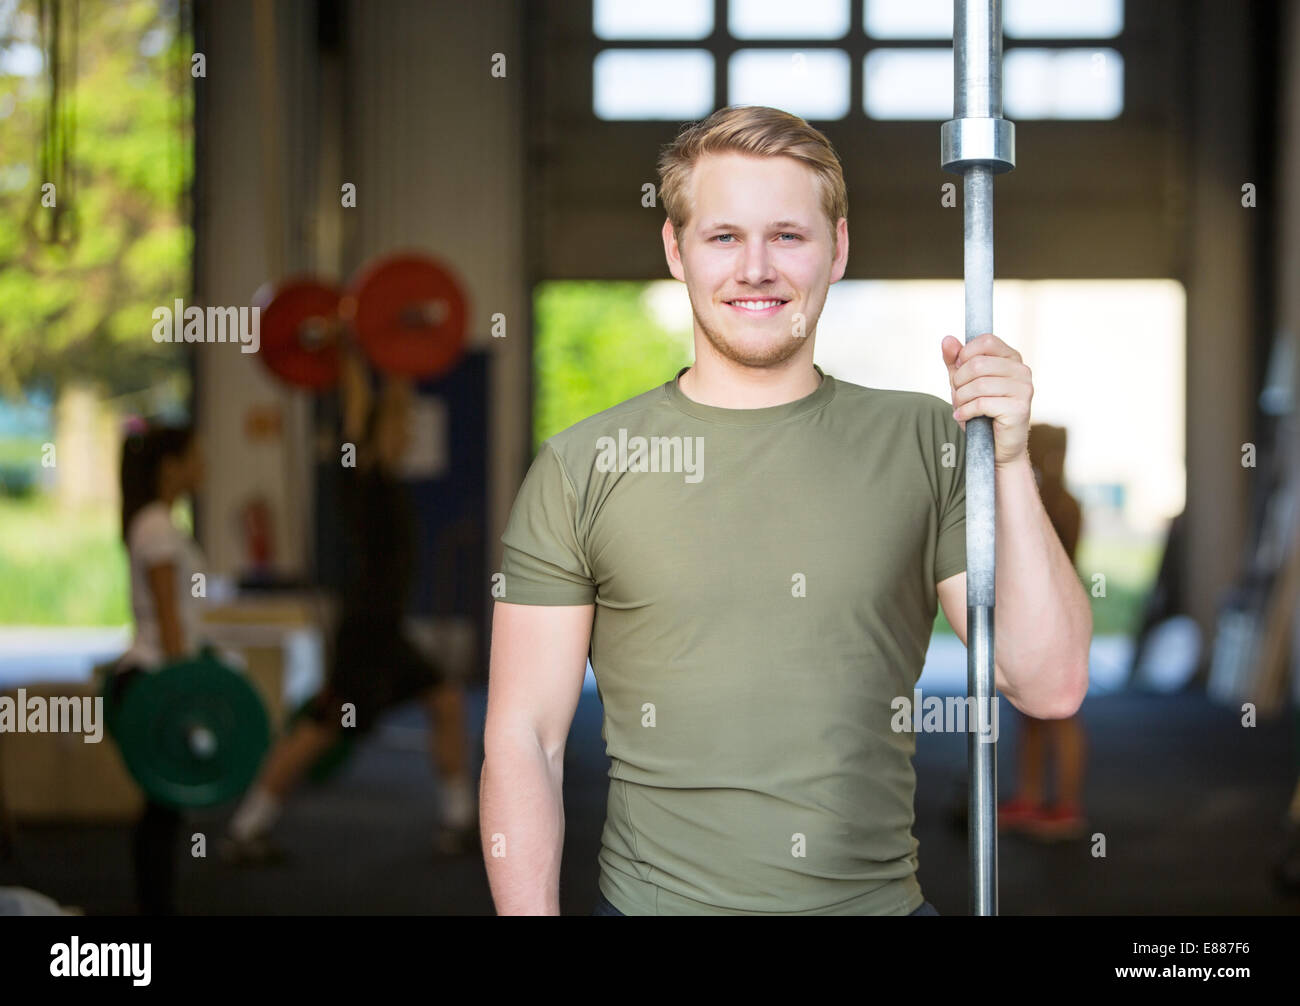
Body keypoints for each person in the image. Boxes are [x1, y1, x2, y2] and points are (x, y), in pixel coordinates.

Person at [482, 105, 1092, 915]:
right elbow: (525, 738)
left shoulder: (922, 438)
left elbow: (1047, 682)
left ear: (837, 250)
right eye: (724, 236)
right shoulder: (582, 466)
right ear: (677, 250)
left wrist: (1008, 458)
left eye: (789, 236)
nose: (757, 268)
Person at [221, 348, 476, 862]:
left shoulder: (386, 478)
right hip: (365, 634)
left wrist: (396, 354)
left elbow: (391, 403)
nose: (406, 435)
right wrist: (351, 351)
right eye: (398, 428)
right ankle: (247, 830)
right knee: (323, 728)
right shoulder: (362, 473)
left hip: (386, 631)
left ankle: (458, 822)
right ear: (375, 435)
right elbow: (359, 407)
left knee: (446, 702)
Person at [110, 421, 207, 915]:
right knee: (161, 809)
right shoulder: (156, 526)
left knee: (164, 809)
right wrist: (182, 692)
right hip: (153, 678)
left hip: (155, 676)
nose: (204, 463)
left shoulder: (160, 523)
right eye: (196, 454)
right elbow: (169, 620)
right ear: (171, 467)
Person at [997, 424, 1090, 840]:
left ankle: (1065, 806)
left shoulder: (1058, 503)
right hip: (1031, 612)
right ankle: (1031, 797)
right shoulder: (1052, 498)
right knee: (1029, 714)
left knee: (1060, 715)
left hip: (1052, 615)